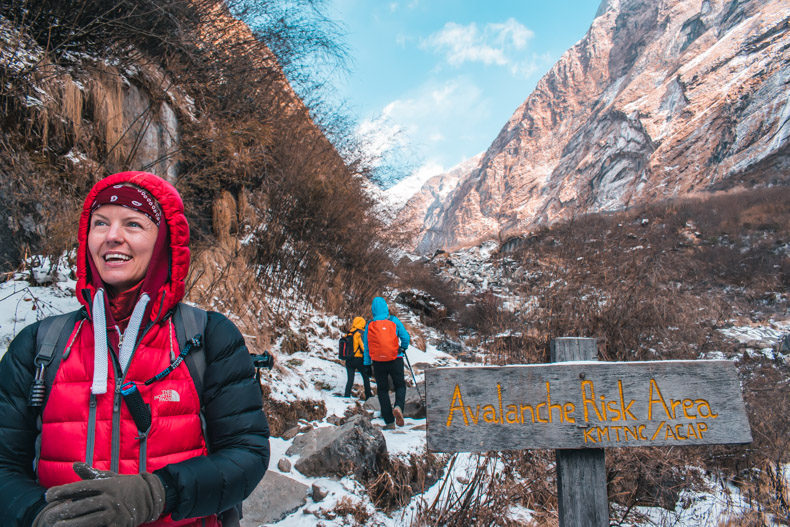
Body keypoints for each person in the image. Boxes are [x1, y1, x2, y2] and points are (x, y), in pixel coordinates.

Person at [0, 171, 270, 527]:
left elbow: (246, 453)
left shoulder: (207, 338)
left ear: (163, 242)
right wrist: (38, 513)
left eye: (133, 224)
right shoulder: (40, 345)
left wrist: (157, 493)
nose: (113, 237)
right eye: (101, 223)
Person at [363, 297, 410, 429]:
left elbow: (366, 347)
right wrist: (403, 347)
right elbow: (405, 337)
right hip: (396, 358)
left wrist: (367, 364)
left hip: (378, 362)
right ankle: (398, 407)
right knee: (400, 385)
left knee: (382, 390)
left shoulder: (369, 325)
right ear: (386, 307)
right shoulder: (393, 320)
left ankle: (389, 422)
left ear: (373, 310)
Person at [343, 316, 372, 400]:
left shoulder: (349, 333)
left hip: (348, 360)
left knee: (350, 379)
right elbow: (363, 347)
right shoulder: (360, 333)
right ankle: (368, 396)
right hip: (358, 359)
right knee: (365, 377)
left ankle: (346, 395)